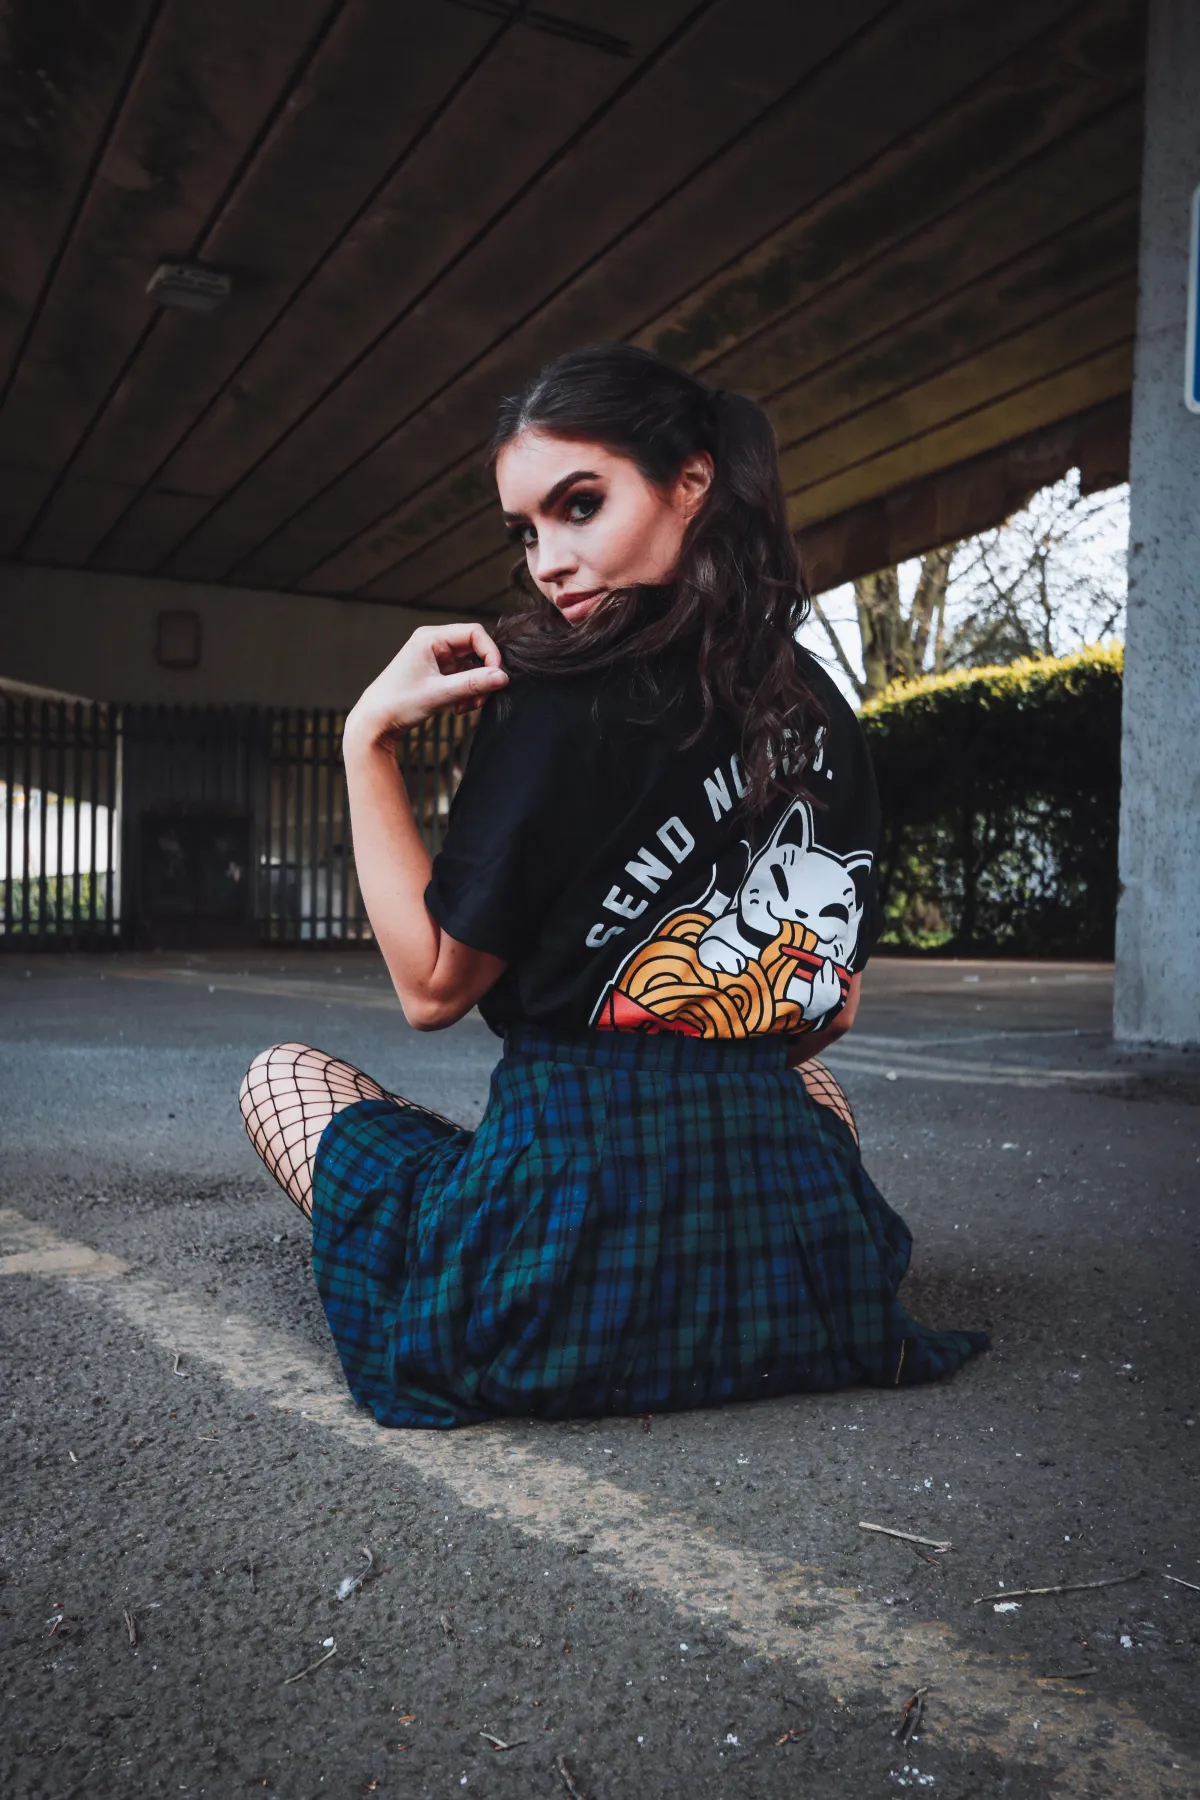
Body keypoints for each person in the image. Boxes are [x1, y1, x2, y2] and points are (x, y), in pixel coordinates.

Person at [239, 345, 987, 1429]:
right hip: (804, 1262)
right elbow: (832, 1011)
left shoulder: (552, 690)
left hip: (552, 1269)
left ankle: (560, 1244)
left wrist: (369, 743)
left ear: (692, 482)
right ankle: (732, 1255)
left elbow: (433, 989)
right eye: (528, 532)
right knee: (816, 1098)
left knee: (280, 1076)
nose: (549, 559)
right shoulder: (824, 707)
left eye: (578, 505)